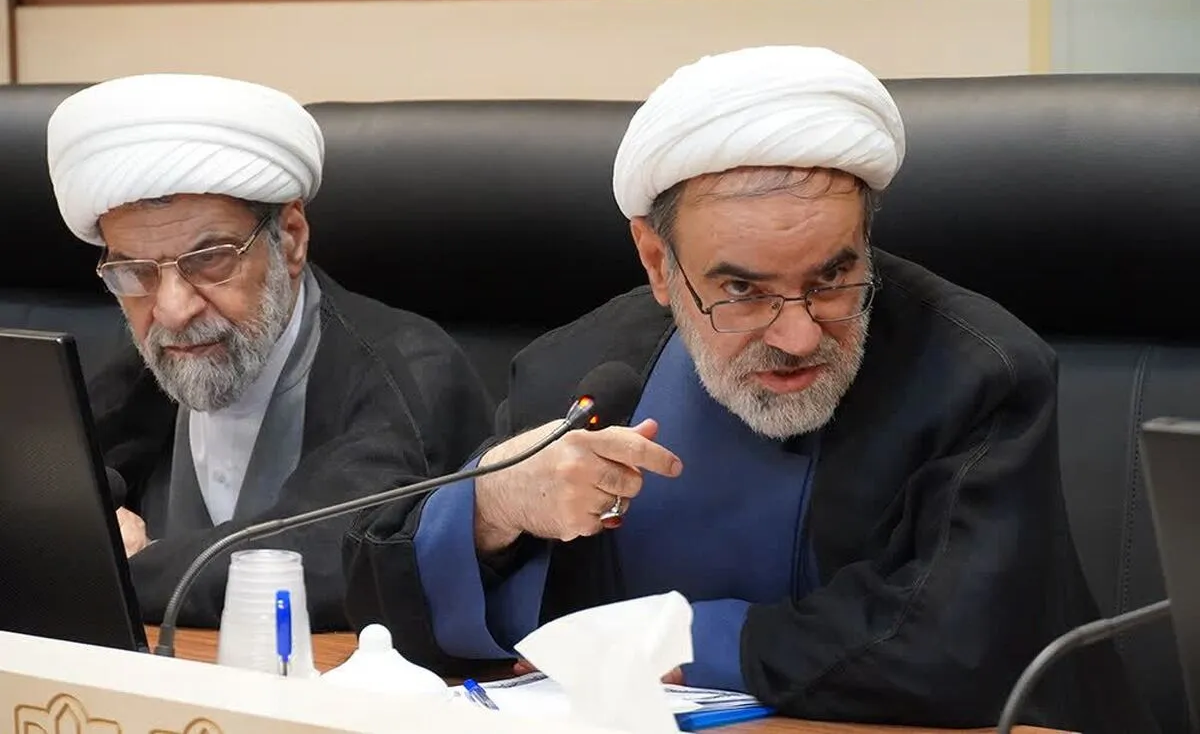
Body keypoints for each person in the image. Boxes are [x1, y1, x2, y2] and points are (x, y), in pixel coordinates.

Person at [341, 47, 1155, 731]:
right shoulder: (577, 369)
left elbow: (955, 647)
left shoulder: (975, 372)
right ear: (658, 264)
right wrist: (491, 508)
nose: (798, 334)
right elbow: (386, 610)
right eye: (743, 291)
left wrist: (678, 641)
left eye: (833, 279)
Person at [47, 73, 493, 630]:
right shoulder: (148, 358)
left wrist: (115, 567)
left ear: (291, 237)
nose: (173, 309)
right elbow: (43, 496)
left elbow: (344, 555)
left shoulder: (412, 372)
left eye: (209, 258)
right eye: (134, 271)